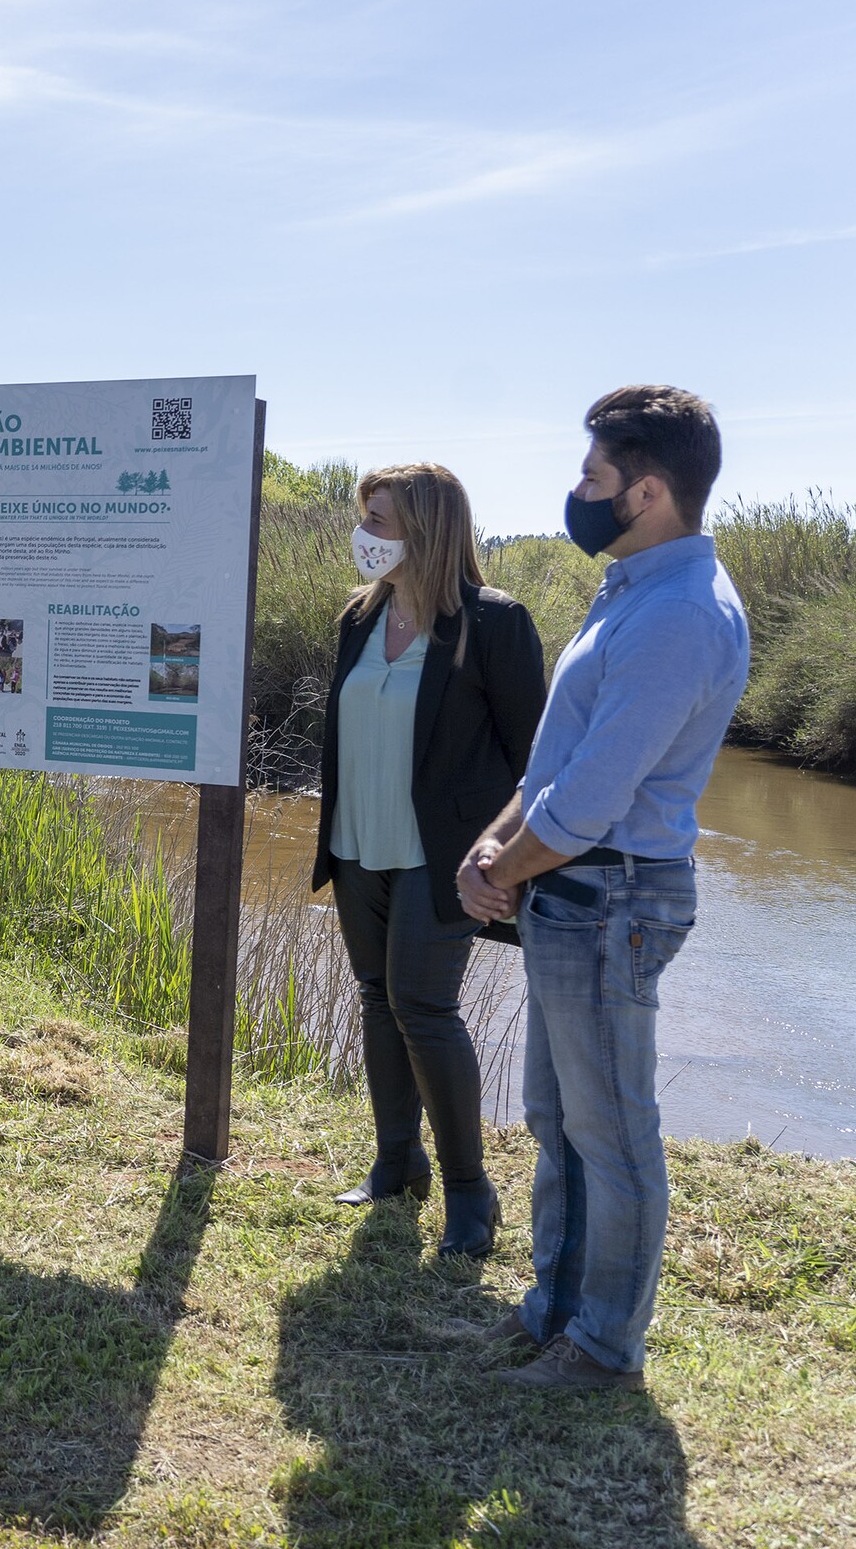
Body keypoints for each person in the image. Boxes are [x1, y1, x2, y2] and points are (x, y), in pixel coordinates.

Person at [456, 386, 749, 1390]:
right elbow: (554, 764)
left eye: (593, 479)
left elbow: (589, 799)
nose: (577, 495)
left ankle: (604, 1346)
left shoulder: (678, 614)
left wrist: (501, 867)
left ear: (650, 491)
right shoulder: (632, 591)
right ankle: (556, 1311)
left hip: (613, 896)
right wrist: (492, 841)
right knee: (557, 1115)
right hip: (575, 893)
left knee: (611, 1129)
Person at [311, 463, 546, 1258]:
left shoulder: (494, 624)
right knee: (378, 997)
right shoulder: (357, 618)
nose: (365, 536)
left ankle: (471, 1194)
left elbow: (534, 758)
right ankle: (396, 1163)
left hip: (439, 858)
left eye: (380, 521)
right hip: (355, 843)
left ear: (427, 529)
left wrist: (506, 858)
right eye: (365, 518)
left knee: (424, 1007)